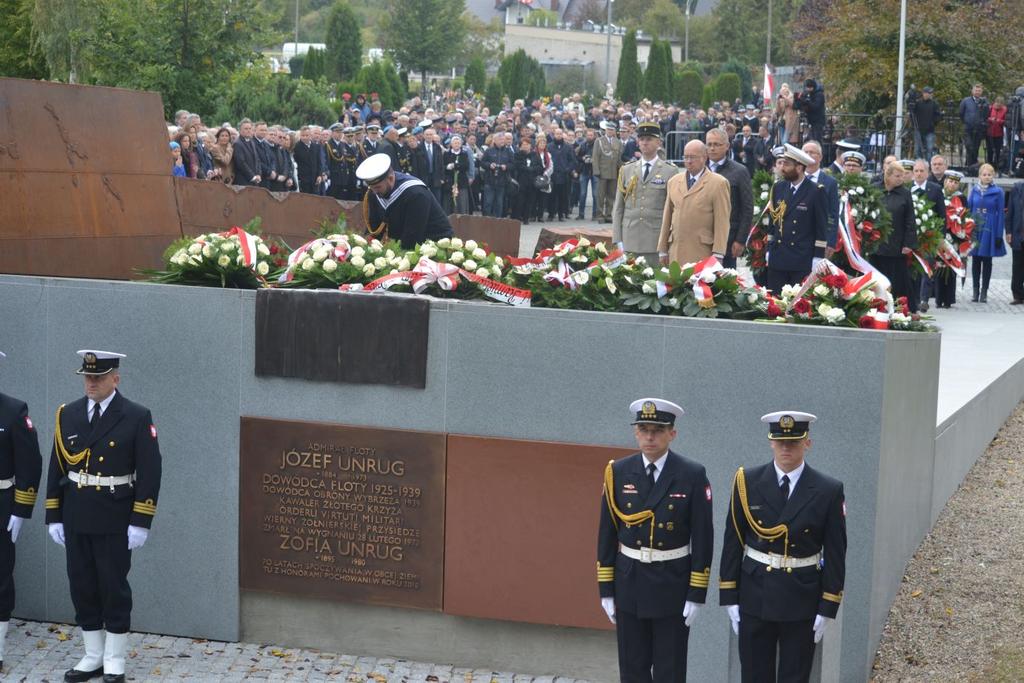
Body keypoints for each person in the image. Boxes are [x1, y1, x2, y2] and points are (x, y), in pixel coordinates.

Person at [46, 350, 162, 683]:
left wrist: (141, 520)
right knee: (81, 584)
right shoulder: (67, 414)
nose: (91, 383)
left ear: (116, 379)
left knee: (113, 586)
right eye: (87, 377)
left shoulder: (136, 416)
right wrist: (54, 514)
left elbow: (150, 471)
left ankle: (113, 658)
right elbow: (58, 466)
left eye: (98, 377)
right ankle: (93, 655)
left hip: (114, 514)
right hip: (76, 512)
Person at [719, 411, 846, 683]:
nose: (786, 448)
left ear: (807, 443)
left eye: (794, 442)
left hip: (801, 597)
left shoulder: (827, 490)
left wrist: (828, 604)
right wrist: (729, 594)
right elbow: (733, 540)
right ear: (771, 443)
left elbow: (835, 551)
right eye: (780, 442)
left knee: (795, 676)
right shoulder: (747, 482)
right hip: (755, 594)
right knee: (754, 675)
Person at [597, 398, 714, 683]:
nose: (650, 437)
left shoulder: (691, 474)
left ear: (672, 434)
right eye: (644, 429)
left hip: (671, 584)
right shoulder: (618, 472)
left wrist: (696, 593)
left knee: (669, 670)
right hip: (630, 581)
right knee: (632, 668)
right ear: (636, 433)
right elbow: (606, 532)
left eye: (658, 430)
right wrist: (606, 589)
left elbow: (703, 535)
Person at [0, 351, 42, 673]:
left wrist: (21, 510)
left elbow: (30, 463)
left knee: (0, 576)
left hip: (1, 503)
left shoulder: (14, 411)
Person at [762, 144, 829, 293]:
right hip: (778, 257)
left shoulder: (816, 191)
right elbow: (774, 222)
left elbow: (821, 227)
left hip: (801, 258)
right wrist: (769, 249)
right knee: (775, 302)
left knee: (797, 305)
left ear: (799, 167)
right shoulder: (779, 187)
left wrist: (818, 257)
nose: (782, 167)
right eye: (782, 163)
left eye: (787, 164)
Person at [612, 122, 680, 264]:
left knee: (655, 283)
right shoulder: (627, 170)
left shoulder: (670, 171)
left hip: (655, 239)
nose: (644, 143)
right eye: (641, 139)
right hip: (630, 238)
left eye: (649, 139)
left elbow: (674, 209)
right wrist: (617, 238)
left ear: (658, 142)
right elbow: (618, 207)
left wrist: (670, 240)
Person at [658, 139, 731, 268]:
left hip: (702, 251)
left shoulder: (718, 183)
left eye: (693, 157)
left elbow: (722, 221)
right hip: (676, 250)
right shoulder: (674, 181)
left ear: (704, 157)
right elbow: (667, 217)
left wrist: (718, 253)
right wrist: (662, 248)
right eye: (686, 157)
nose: (689, 161)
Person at [356, 153, 454, 249]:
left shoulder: (416, 194)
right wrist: (365, 247)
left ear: (390, 179)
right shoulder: (375, 192)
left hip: (434, 244)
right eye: (371, 187)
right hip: (403, 242)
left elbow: (412, 237)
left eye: (377, 187)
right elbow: (374, 228)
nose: (374, 191)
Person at [870, 161, 918, 306]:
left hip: (896, 245)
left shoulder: (905, 193)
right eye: (897, 176)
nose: (901, 179)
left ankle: (898, 307)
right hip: (876, 245)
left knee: (897, 279)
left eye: (902, 176)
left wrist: (909, 243)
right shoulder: (874, 189)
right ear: (888, 176)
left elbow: (910, 220)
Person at [705, 128, 753, 269]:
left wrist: (740, 240)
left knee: (723, 284)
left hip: (728, 239)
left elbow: (747, 208)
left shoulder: (739, 171)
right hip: (701, 238)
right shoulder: (700, 169)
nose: (712, 148)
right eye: (709, 144)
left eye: (717, 144)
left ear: (727, 146)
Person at [910, 159, 946, 312]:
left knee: (927, 268)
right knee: (913, 269)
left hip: (929, 236)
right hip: (912, 237)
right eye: (916, 171)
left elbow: (941, 215)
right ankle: (915, 298)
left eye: (921, 171)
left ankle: (924, 299)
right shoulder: (907, 189)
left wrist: (940, 238)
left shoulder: (935, 189)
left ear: (927, 172)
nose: (919, 174)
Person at [968, 163, 1006, 302]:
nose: (987, 177)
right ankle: (975, 291)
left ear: (993, 175)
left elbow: (1001, 213)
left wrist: (998, 234)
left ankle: (984, 291)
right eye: (984, 174)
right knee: (976, 259)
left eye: (989, 174)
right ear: (979, 176)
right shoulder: (974, 190)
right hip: (976, 225)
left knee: (987, 260)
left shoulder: (998, 192)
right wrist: (967, 229)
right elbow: (969, 208)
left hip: (990, 225)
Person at [801, 141, 840, 257]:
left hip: (819, 238)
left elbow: (833, 214)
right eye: (805, 152)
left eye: (812, 152)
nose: (808, 154)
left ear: (820, 157)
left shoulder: (830, 182)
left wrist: (831, 242)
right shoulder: (794, 178)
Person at [934, 170, 966, 308]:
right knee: (939, 265)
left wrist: (961, 231)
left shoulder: (962, 198)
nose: (952, 185)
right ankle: (938, 297)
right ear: (945, 181)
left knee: (952, 266)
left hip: (955, 236)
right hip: (941, 235)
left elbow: (966, 217)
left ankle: (948, 299)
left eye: (955, 182)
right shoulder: (938, 194)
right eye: (950, 181)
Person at [594, 121, 624, 223]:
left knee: (611, 195)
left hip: (613, 172)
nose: (610, 131)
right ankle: (599, 215)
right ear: (605, 130)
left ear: (614, 131)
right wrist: (596, 171)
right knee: (601, 195)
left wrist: (622, 170)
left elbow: (619, 158)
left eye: (612, 130)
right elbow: (595, 157)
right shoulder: (599, 141)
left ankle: (608, 215)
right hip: (602, 172)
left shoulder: (618, 142)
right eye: (608, 129)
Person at [481, 132, 514, 218]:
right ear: (494, 140)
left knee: (499, 203)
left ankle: (497, 220)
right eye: (500, 139)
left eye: (503, 139)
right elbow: (482, 163)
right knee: (488, 202)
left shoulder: (508, 151)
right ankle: (486, 219)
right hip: (490, 181)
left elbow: (513, 164)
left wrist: (506, 167)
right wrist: (489, 165)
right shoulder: (489, 151)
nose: (502, 141)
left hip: (502, 181)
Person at [959, 84, 989, 170]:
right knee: (969, 146)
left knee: (976, 148)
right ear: (972, 91)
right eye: (976, 90)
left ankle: (972, 167)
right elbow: (961, 113)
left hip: (979, 129)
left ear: (981, 92)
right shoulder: (966, 101)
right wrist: (966, 121)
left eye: (979, 91)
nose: (977, 92)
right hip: (968, 128)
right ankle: (969, 166)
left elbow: (986, 114)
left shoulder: (984, 102)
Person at [512, 137, 541, 224]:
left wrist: (532, 169)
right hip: (521, 181)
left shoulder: (535, 155)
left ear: (530, 146)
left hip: (532, 181)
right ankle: (517, 217)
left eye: (527, 145)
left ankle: (526, 218)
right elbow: (518, 166)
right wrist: (528, 169)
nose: (525, 146)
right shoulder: (517, 155)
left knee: (530, 201)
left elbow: (539, 166)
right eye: (524, 145)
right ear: (520, 146)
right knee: (520, 201)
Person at [442, 135, 470, 215]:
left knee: (461, 202)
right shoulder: (447, 154)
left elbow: (466, 166)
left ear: (461, 144)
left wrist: (455, 166)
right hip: (449, 182)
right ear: (451, 144)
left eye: (458, 143)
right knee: (448, 203)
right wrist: (447, 167)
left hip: (461, 182)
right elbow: (443, 166)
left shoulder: (464, 154)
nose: (456, 145)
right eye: (455, 143)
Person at [1007, 179, 1024, 304]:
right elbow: (1010, 212)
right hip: (1019, 234)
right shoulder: (1017, 189)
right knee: (1017, 266)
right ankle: (1018, 295)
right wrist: (1008, 231)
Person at [914, 87, 942, 163]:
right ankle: (918, 165)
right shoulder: (918, 103)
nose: (929, 95)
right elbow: (912, 114)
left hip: (930, 130)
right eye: (927, 93)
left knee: (930, 149)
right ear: (923, 93)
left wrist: (933, 123)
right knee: (918, 149)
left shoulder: (934, 104)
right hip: (919, 129)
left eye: (930, 93)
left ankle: (929, 166)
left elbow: (938, 115)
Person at [232, 119, 262, 187]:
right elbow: (241, 163)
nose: (248, 130)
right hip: (243, 181)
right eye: (246, 128)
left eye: (250, 128)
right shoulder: (237, 144)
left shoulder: (251, 141)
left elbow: (257, 159)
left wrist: (258, 174)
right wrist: (252, 177)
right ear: (240, 130)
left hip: (254, 181)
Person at [794, 79, 826, 143]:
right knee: (809, 139)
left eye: (809, 88)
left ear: (813, 87)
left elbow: (816, 106)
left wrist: (807, 101)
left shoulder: (819, 95)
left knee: (816, 140)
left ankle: (818, 151)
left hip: (818, 121)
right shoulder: (807, 94)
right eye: (807, 87)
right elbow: (796, 106)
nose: (807, 89)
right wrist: (797, 99)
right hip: (810, 121)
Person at [987, 96, 1007, 173]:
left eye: (1000, 105)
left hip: (999, 133)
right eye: (997, 104)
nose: (998, 106)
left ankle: (997, 166)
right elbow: (986, 117)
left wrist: (999, 121)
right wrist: (990, 119)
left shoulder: (1005, 110)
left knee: (998, 151)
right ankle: (989, 165)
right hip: (990, 133)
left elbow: (1005, 121)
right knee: (990, 150)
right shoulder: (990, 108)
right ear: (994, 102)